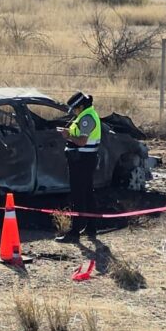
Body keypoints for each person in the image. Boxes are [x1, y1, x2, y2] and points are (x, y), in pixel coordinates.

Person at [55, 91, 101, 243]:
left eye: (74, 109)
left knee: (78, 195)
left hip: (82, 160)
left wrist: (68, 136)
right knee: (87, 193)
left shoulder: (86, 118)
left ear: (80, 107)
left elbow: (82, 141)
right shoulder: (87, 115)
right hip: (84, 160)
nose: (73, 112)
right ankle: (91, 227)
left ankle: (75, 232)